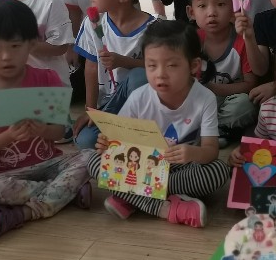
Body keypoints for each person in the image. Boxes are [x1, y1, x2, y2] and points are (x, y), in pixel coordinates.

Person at [0, 0, 91, 239]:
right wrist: (8, 136)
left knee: (91, 157)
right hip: (4, 174)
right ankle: (65, 192)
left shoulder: (48, 79)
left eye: (15, 46)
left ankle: (25, 212)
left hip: (49, 165)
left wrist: (42, 130)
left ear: (31, 45)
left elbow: (58, 132)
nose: (6, 56)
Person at [90, 21, 228, 227]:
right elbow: (121, 142)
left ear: (194, 66)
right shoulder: (139, 97)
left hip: (181, 170)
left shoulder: (205, 98)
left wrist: (193, 153)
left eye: (171, 65)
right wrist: (107, 145)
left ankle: (132, 197)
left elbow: (211, 151)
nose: (160, 74)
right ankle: (166, 208)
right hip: (142, 167)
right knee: (93, 161)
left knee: (218, 171)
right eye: (151, 65)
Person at [73, 0, 156, 149]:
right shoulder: (92, 23)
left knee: (139, 76)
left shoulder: (154, 29)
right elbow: (91, 68)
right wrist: (91, 109)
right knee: (85, 141)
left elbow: (159, 70)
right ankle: (123, 138)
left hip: (144, 109)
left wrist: (124, 62)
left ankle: (138, 136)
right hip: (110, 106)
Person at [188, 0, 256, 141]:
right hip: (198, 101)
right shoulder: (189, 41)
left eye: (220, 4)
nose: (211, 12)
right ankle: (213, 130)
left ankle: (212, 128)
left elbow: (250, 84)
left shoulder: (243, 41)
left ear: (234, 7)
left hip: (227, 101)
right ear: (191, 12)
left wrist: (215, 89)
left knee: (245, 106)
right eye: (202, 6)